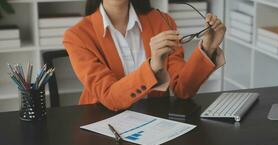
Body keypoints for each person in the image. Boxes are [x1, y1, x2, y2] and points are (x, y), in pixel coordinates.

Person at [63, 0, 226, 111]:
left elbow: (183, 89)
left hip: (154, 123)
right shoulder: (77, 36)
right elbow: (109, 97)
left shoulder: (162, 21)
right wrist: (153, 66)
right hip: (102, 124)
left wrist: (208, 47)